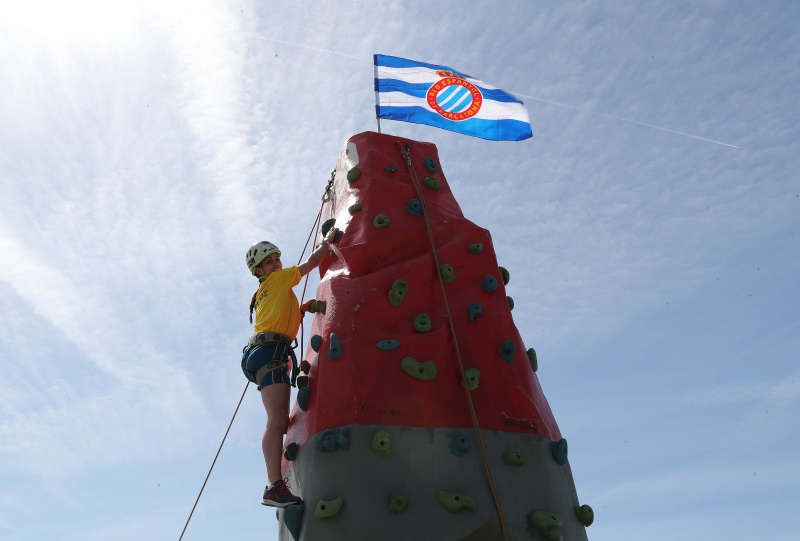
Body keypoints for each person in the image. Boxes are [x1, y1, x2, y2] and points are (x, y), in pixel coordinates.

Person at [242, 227, 337, 508]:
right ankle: (274, 485)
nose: (276, 264)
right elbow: (309, 264)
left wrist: (302, 310)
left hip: (264, 351)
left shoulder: (264, 292)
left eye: (276, 259)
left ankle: (275, 483)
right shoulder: (279, 280)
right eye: (269, 262)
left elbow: (281, 316)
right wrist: (327, 243)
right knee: (276, 420)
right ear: (260, 271)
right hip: (271, 350)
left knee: (280, 421)